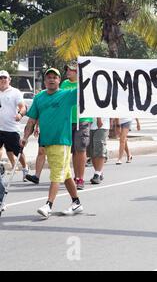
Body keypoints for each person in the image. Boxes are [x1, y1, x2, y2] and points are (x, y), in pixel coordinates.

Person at [20, 68, 83, 218]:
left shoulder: (67, 95)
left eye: (55, 77)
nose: (51, 79)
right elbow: (32, 120)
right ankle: (76, 202)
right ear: (45, 80)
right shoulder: (39, 97)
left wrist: (85, 71)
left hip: (62, 141)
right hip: (46, 142)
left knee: (56, 173)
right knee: (65, 173)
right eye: (48, 77)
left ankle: (48, 205)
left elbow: (85, 89)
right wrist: (25, 137)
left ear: (59, 80)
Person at [60, 61, 93, 190]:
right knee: (73, 151)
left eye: (71, 69)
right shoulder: (64, 84)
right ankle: (75, 176)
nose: (68, 71)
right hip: (69, 120)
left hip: (83, 119)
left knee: (81, 149)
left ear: (77, 71)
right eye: (67, 69)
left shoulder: (84, 83)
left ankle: (80, 178)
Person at [0, 70, 30, 181]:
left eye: (5, 78)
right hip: (0, 128)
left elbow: (23, 107)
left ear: (9, 80)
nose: (3, 80)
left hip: (11, 129)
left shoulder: (15, 92)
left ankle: (25, 167)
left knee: (18, 152)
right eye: (0, 78)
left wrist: (20, 115)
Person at [88, 117, 109, 184]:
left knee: (100, 147)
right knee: (91, 150)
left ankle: (97, 173)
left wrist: (99, 119)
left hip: (101, 125)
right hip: (89, 123)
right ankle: (99, 172)